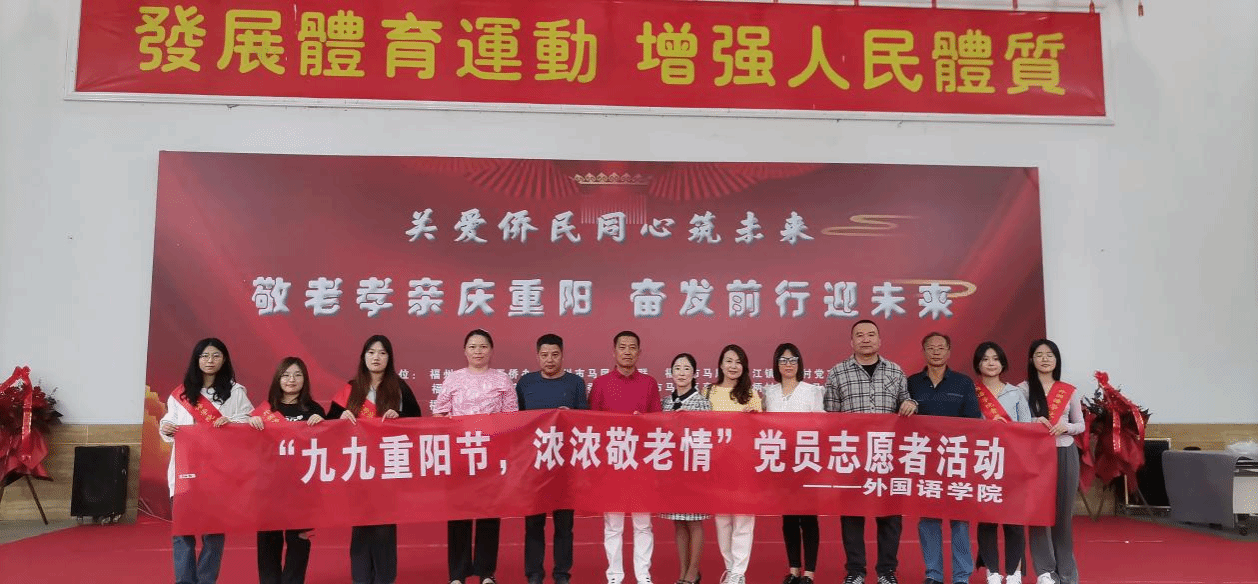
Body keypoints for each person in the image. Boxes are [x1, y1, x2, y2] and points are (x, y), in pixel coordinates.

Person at [823, 320, 917, 584]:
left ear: (879, 340)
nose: (866, 339)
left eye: (871, 334)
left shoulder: (895, 370)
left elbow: (905, 400)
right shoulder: (838, 372)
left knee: (890, 516)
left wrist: (911, 403)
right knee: (852, 516)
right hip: (852, 455)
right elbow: (830, 415)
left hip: (886, 454)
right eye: (860, 335)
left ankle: (887, 571)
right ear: (851, 341)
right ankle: (855, 571)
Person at [327, 334, 422, 584]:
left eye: (382, 352)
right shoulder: (351, 388)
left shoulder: (399, 387)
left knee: (384, 528)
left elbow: (418, 422)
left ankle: (384, 578)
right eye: (371, 352)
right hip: (357, 467)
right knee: (360, 526)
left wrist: (400, 417)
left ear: (389, 358)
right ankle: (361, 579)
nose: (376, 357)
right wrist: (340, 417)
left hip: (388, 466)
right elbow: (328, 424)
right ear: (363, 357)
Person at [158, 337, 254, 584]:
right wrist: (166, 428)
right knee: (182, 531)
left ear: (224, 359)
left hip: (218, 472)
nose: (210, 361)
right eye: (204, 356)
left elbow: (249, 422)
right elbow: (169, 421)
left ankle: (206, 580)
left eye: (215, 355)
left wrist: (231, 423)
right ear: (196, 360)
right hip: (184, 471)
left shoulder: (235, 392)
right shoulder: (180, 393)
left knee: (214, 533)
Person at [434, 329, 519, 584]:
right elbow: (439, 414)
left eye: (483, 346)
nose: (478, 351)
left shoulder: (502, 380)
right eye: (472, 347)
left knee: (489, 514)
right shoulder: (453, 379)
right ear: (465, 351)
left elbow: (511, 417)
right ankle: (457, 574)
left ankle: (486, 572)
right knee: (458, 514)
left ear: (491, 350)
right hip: (460, 455)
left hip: (490, 456)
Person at [907, 333, 981, 584]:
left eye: (941, 347)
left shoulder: (963, 383)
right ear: (923, 351)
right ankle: (933, 574)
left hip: (956, 459)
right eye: (931, 347)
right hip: (924, 460)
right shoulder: (912, 383)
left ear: (949, 352)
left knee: (959, 520)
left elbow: (973, 421)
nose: (936, 351)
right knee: (928, 519)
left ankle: (961, 576)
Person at [589, 331, 662, 584]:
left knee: (643, 524)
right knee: (613, 524)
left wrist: (644, 422)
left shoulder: (649, 383)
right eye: (622, 347)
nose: (627, 352)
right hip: (612, 462)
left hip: (641, 462)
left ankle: (643, 575)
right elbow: (591, 425)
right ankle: (614, 576)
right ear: (614, 352)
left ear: (639, 352)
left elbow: (658, 422)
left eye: (632, 347)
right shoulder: (601, 384)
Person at [515, 333, 588, 584]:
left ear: (562, 355)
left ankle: (562, 574)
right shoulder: (526, 383)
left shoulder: (576, 383)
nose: (550, 360)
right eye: (544, 355)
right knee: (533, 524)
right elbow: (516, 421)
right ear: (537, 356)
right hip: (534, 464)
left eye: (555, 354)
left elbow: (586, 421)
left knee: (564, 525)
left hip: (565, 465)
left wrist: (571, 416)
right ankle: (534, 574)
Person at [247, 356, 327, 584]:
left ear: (305, 379)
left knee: (299, 540)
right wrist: (250, 424)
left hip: (302, 487)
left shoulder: (314, 409)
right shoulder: (264, 410)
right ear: (278, 379)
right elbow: (250, 448)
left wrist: (323, 424)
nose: (291, 380)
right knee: (268, 540)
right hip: (269, 487)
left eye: (297, 375)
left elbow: (327, 444)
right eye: (286, 375)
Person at [1019, 340, 1084, 584]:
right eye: (1039, 355)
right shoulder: (1022, 389)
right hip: (1035, 457)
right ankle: (1045, 572)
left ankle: (1067, 572)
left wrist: (1066, 427)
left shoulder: (1069, 390)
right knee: (1038, 514)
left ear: (1056, 360)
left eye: (1050, 355)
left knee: (1063, 515)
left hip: (1064, 452)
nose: (1045, 359)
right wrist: (1033, 422)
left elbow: (1080, 424)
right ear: (1031, 360)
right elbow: (1015, 421)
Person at [762, 343, 825, 584]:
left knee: (808, 518)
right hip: (781, 463)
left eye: (793, 360)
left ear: (799, 363)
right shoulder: (769, 393)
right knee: (788, 518)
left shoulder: (812, 391)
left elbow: (821, 425)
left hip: (806, 462)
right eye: (783, 360)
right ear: (776, 364)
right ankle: (794, 569)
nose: (788, 364)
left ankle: (809, 573)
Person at [971, 342, 1031, 584]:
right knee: (987, 519)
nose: (991, 363)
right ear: (978, 364)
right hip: (982, 462)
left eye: (995, 358)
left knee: (1013, 520)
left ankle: (1014, 572)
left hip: (1012, 462)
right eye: (985, 359)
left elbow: (1027, 427)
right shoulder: (971, 392)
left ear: (1003, 363)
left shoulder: (1015, 393)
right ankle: (992, 572)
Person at [704, 344, 762, 584]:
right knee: (722, 520)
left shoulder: (751, 394)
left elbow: (761, 432)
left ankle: (739, 572)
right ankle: (729, 568)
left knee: (743, 520)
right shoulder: (709, 392)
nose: (733, 366)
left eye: (738, 362)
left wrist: (752, 419)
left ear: (744, 366)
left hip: (744, 465)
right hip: (718, 465)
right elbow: (701, 426)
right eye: (729, 361)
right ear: (720, 364)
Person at [657, 353, 712, 584]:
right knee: (678, 521)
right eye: (677, 368)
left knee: (694, 521)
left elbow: (707, 437)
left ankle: (693, 572)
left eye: (686, 368)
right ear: (671, 373)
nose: (681, 372)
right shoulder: (665, 403)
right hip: (672, 471)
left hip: (694, 470)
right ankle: (683, 572)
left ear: (694, 373)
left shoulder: (702, 402)